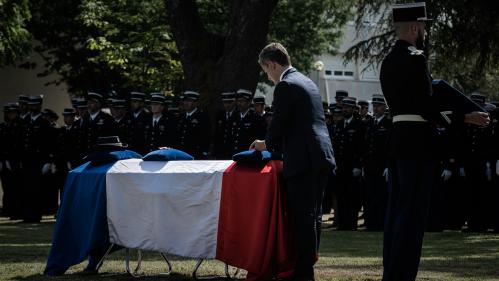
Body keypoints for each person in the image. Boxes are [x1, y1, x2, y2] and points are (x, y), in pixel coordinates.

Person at [379, 3, 490, 281]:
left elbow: (432, 89)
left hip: (397, 141)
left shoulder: (388, 60)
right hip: (417, 143)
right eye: (424, 27)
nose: (425, 32)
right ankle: (402, 275)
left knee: (396, 212)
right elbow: (427, 105)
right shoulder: (416, 58)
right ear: (415, 28)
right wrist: (463, 118)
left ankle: (391, 271)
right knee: (413, 215)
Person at [250, 42, 335, 281]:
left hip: (304, 160)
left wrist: (263, 144)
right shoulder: (307, 81)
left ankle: (304, 272)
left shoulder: (286, 85)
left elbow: (279, 125)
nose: (268, 77)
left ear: (273, 64)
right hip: (320, 156)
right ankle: (307, 267)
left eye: (266, 71)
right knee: (314, 216)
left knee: (303, 217)